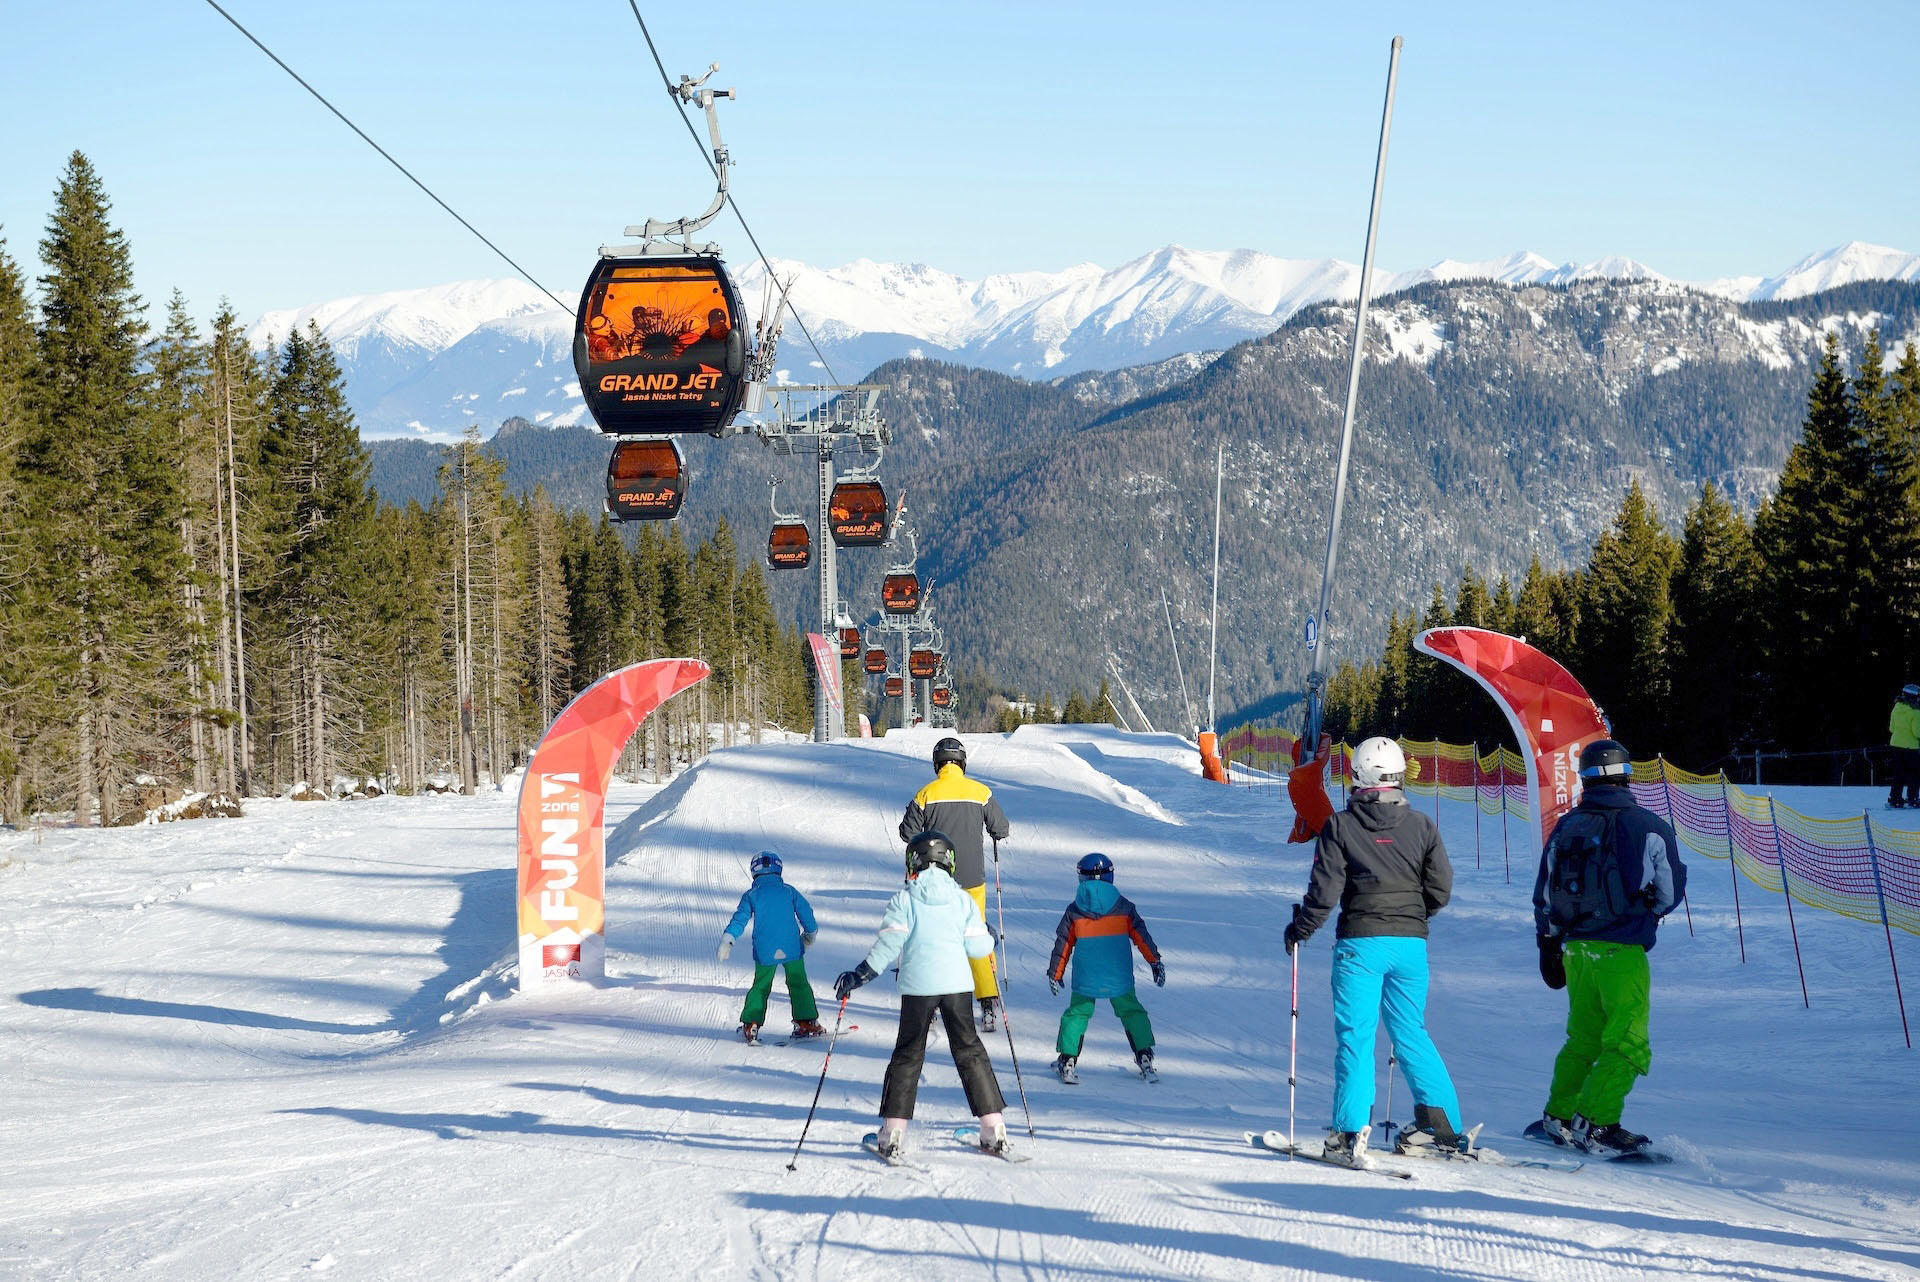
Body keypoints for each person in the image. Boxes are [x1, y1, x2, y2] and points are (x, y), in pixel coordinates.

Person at [1283, 735, 1462, 1170]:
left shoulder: (1341, 827)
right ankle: (1442, 1125)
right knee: (1411, 1032)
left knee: (1357, 1038)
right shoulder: (1421, 826)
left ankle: (1348, 1133)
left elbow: (1324, 892)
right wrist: (1413, 916)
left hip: (1360, 944)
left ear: (1359, 778)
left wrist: (1300, 928)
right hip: (1410, 946)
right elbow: (1441, 888)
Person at [1533, 738, 1687, 1158]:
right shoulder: (1648, 825)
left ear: (1583, 778)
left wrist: (1548, 942)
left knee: (1583, 1037)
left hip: (1575, 950)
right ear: (1627, 774)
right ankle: (1598, 1123)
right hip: (1621, 949)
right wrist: (1647, 913)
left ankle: (1560, 1115)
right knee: (1627, 1043)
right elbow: (1670, 890)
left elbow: (1545, 889)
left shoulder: (1567, 825)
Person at [835, 830, 1015, 1160]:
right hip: (957, 986)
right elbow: (978, 947)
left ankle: (892, 1134)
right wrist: (989, 937)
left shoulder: (905, 899)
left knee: (908, 1053)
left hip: (918, 988)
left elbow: (887, 946)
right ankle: (994, 1129)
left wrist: (859, 975)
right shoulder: (962, 900)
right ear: (950, 862)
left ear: (913, 862)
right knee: (970, 1050)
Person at [899, 737, 1011, 1029]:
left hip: (935, 880)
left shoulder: (926, 793)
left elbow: (907, 833)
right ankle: (987, 1003)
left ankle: (931, 1001)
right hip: (973, 879)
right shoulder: (980, 792)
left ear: (937, 764)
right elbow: (1001, 828)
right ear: (962, 762)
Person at [1046, 853, 1164, 1083]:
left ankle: (1068, 1059)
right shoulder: (1124, 907)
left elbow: (1064, 943)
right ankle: (1144, 1055)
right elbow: (1142, 937)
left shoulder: (1074, 911)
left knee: (1077, 1013)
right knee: (1131, 1011)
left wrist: (1055, 973)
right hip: (1118, 976)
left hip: (1086, 977)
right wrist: (1154, 961)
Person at [718, 851, 823, 1044]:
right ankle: (806, 1021)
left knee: (761, 985)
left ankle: (751, 1024)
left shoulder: (752, 895)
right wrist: (810, 933)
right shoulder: (789, 891)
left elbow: (740, 918)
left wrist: (728, 938)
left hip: (765, 948)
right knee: (798, 981)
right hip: (791, 946)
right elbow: (806, 912)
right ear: (778, 869)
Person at [1889, 684, 1920, 808]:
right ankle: (1912, 799)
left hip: (1896, 745)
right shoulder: (1916, 712)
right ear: (1913, 697)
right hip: (1910, 747)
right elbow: (1917, 732)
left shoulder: (1896, 707)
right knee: (1914, 774)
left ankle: (1895, 798)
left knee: (1898, 773)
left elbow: (1891, 728)